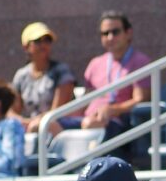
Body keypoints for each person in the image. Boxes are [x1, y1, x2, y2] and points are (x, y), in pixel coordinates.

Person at [51, 11, 151, 140]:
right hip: (88, 119)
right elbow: (85, 101)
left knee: (89, 124)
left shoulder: (140, 61)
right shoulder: (95, 63)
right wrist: (56, 116)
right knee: (47, 124)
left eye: (115, 32)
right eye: (105, 33)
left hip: (117, 122)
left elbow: (141, 99)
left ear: (128, 33)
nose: (110, 37)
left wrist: (113, 109)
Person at [11, 21, 77, 133]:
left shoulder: (61, 71)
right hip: (32, 127)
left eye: (47, 40)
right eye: (37, 41)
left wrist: (34, 123)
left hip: (60, 127)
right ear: (26, 47)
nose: (43, 45)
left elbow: (57, 112)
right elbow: (12, 110)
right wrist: (21, 121)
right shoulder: (21, 75)